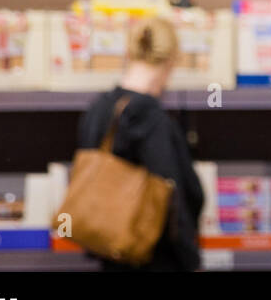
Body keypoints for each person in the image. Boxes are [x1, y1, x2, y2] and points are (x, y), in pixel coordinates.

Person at [76, 15, 204, 272]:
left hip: (111, 253)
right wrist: (191, 260)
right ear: (171, 60)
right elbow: (170, 194)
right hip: (153, 260)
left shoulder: (99, 109)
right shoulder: (149, 116)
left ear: (129, 52)